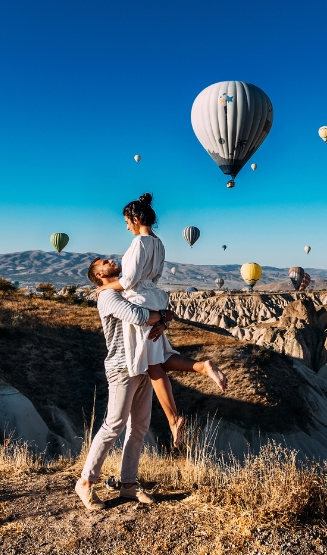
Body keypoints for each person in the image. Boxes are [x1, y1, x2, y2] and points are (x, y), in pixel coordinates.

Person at [76, 257, 227, 511]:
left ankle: (128, 484)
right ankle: (86, 482)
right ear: (98, 274)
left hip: (144, 365)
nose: (111, 259)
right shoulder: (106, 297)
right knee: (114, 425)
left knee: (140, 427)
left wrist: (165, 319)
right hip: (122, 368)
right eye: (104, 262)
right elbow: (136, 316)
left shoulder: (133, 290)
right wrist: (162, 317)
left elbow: (157, 308)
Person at [94, 194, 225, 447]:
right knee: (158, 361)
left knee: (153, 365)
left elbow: (130, 280)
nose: (126, 227)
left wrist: (105, 287)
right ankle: (199, 370)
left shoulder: (138, 244)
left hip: (140, 301)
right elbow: (155, 276)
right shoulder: (158, 243)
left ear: (134, 219)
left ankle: (174, 418)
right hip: (156, 297)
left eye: (126, 221)